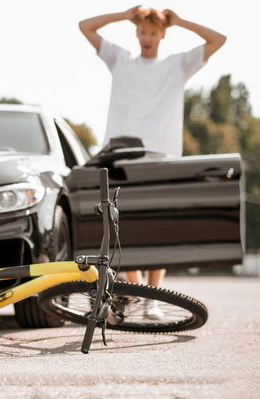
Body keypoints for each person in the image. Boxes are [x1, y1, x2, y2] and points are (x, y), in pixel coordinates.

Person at [79, 7, 226, 318]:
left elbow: (218, 39)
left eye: (153, 32)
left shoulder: (177, 65)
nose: (147, 38)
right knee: (123, 229)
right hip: (121, 157)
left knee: (158, 227)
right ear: (137, 32)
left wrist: (180, 21)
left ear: (162, 34)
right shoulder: (120, 59)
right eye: (143, 32)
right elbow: (85, 26)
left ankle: (153, 299)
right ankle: (136, 293)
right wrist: (124, 14)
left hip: (161, 157)